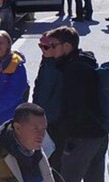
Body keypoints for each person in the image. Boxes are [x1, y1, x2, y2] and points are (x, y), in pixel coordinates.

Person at [45, 26, 107, 182]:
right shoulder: (85, 62)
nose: (51, 50)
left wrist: (63, 133)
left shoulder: (74, 70)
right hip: (99, 134)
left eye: (53, 45)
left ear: (66, 46)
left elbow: (75, 108)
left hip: (82, 137)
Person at [0, 103, 55, 182]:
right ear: (18, 128)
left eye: (43, 129)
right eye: (35, 129)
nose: (41, 135)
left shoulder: (37, 152)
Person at [32, 33, 66, 172]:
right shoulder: (46, 62)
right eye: (40, 46)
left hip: (52, 123)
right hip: (44, 120)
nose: (42, 50)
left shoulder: (55, 66)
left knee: (53, 164)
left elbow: (48, 94)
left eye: (46, 47)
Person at [0, 30, 29, 125]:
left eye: (1, 43)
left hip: (9, 114)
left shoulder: (16, 65)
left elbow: (14, 93)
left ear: (8, 44)